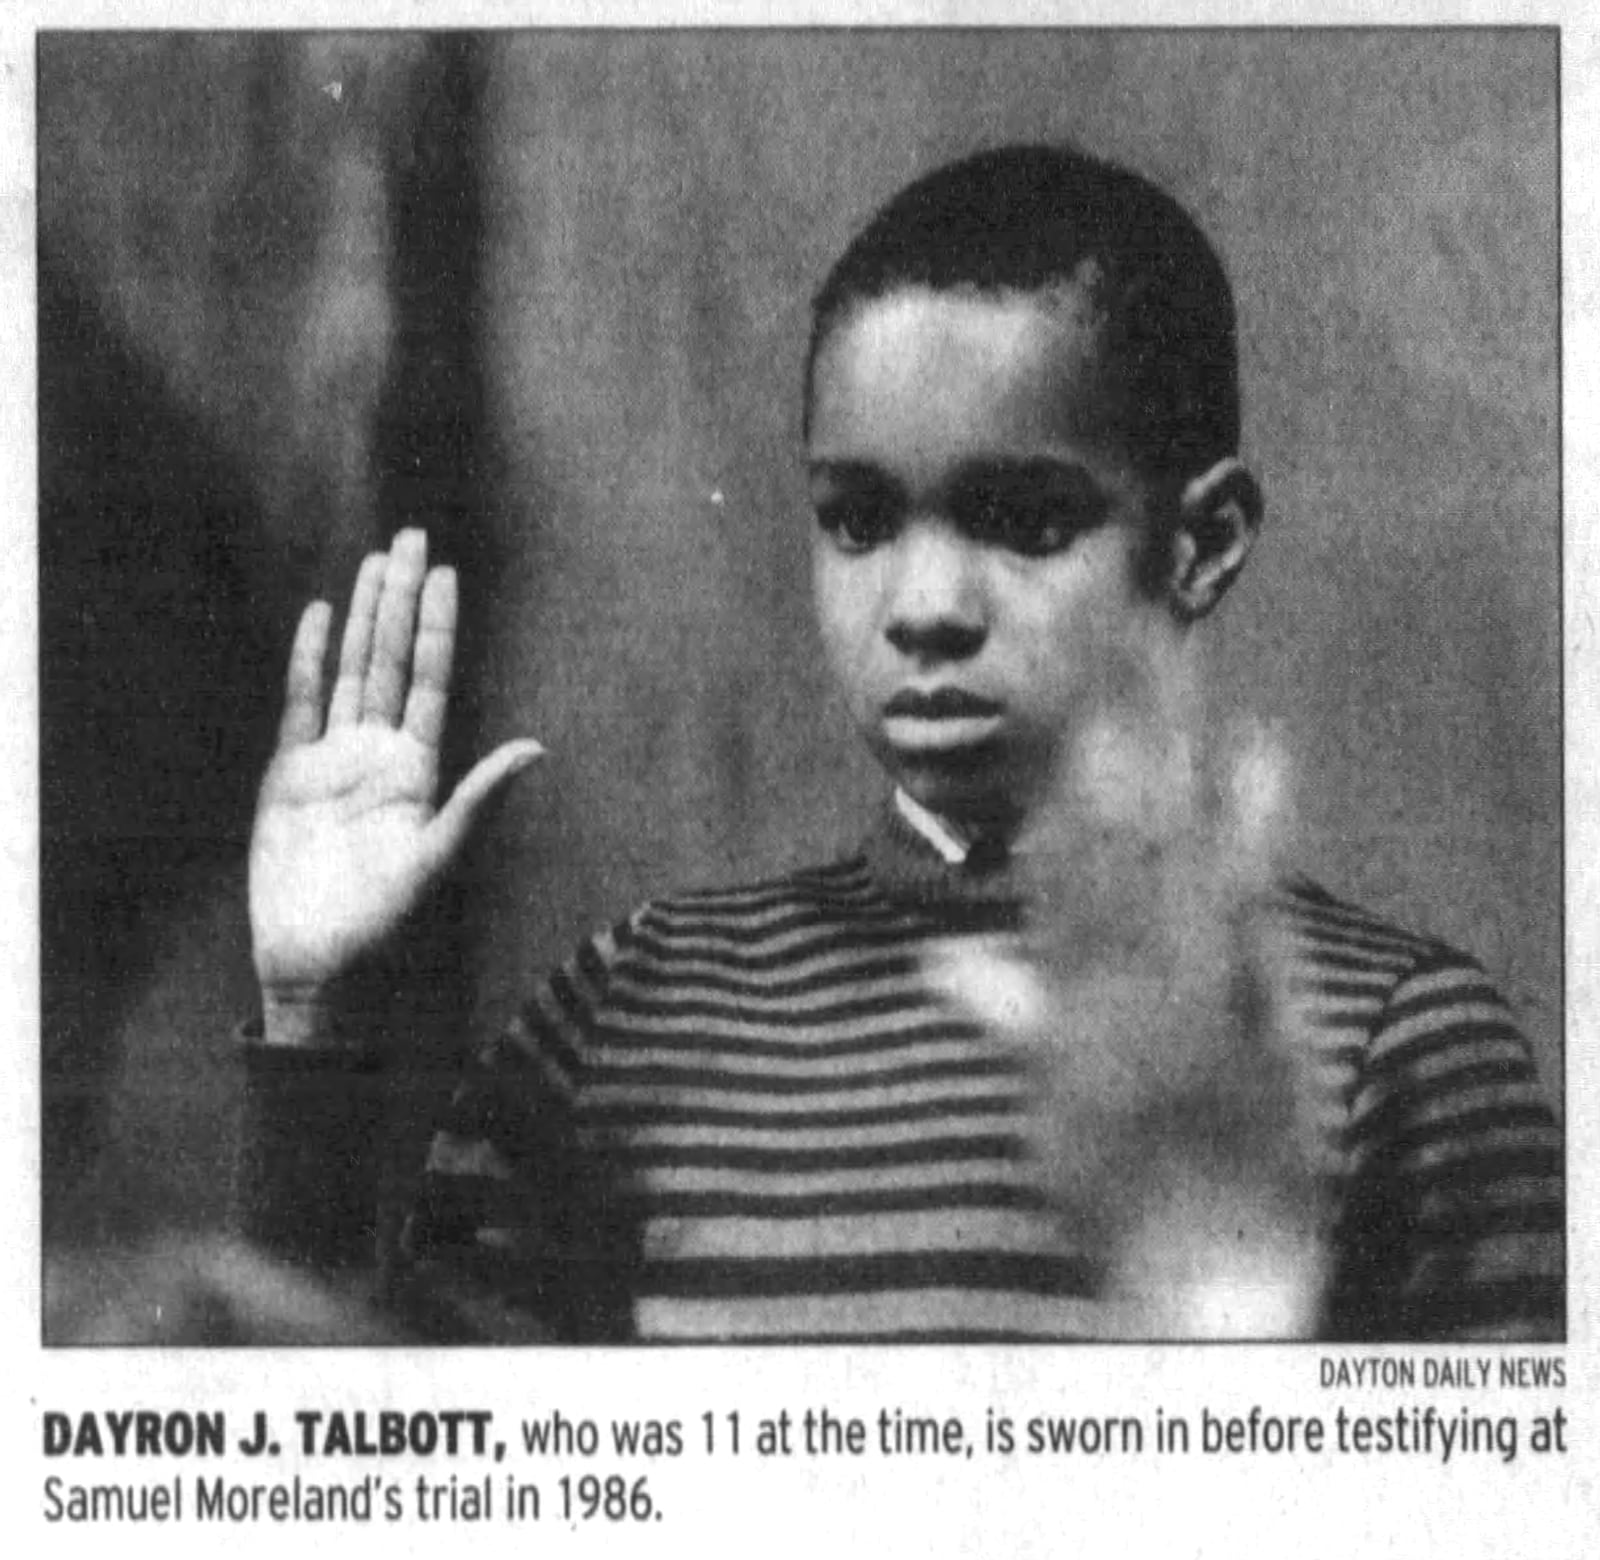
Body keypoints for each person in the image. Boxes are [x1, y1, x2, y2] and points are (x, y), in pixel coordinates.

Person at [237, 144, 1562, 1342]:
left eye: (1028, 521)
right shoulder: (636, 1008)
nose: (924, 609)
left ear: (1202, 542)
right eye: (859, 520)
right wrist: (311, 1017)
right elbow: (366, 1481)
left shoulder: (1398, 1042)